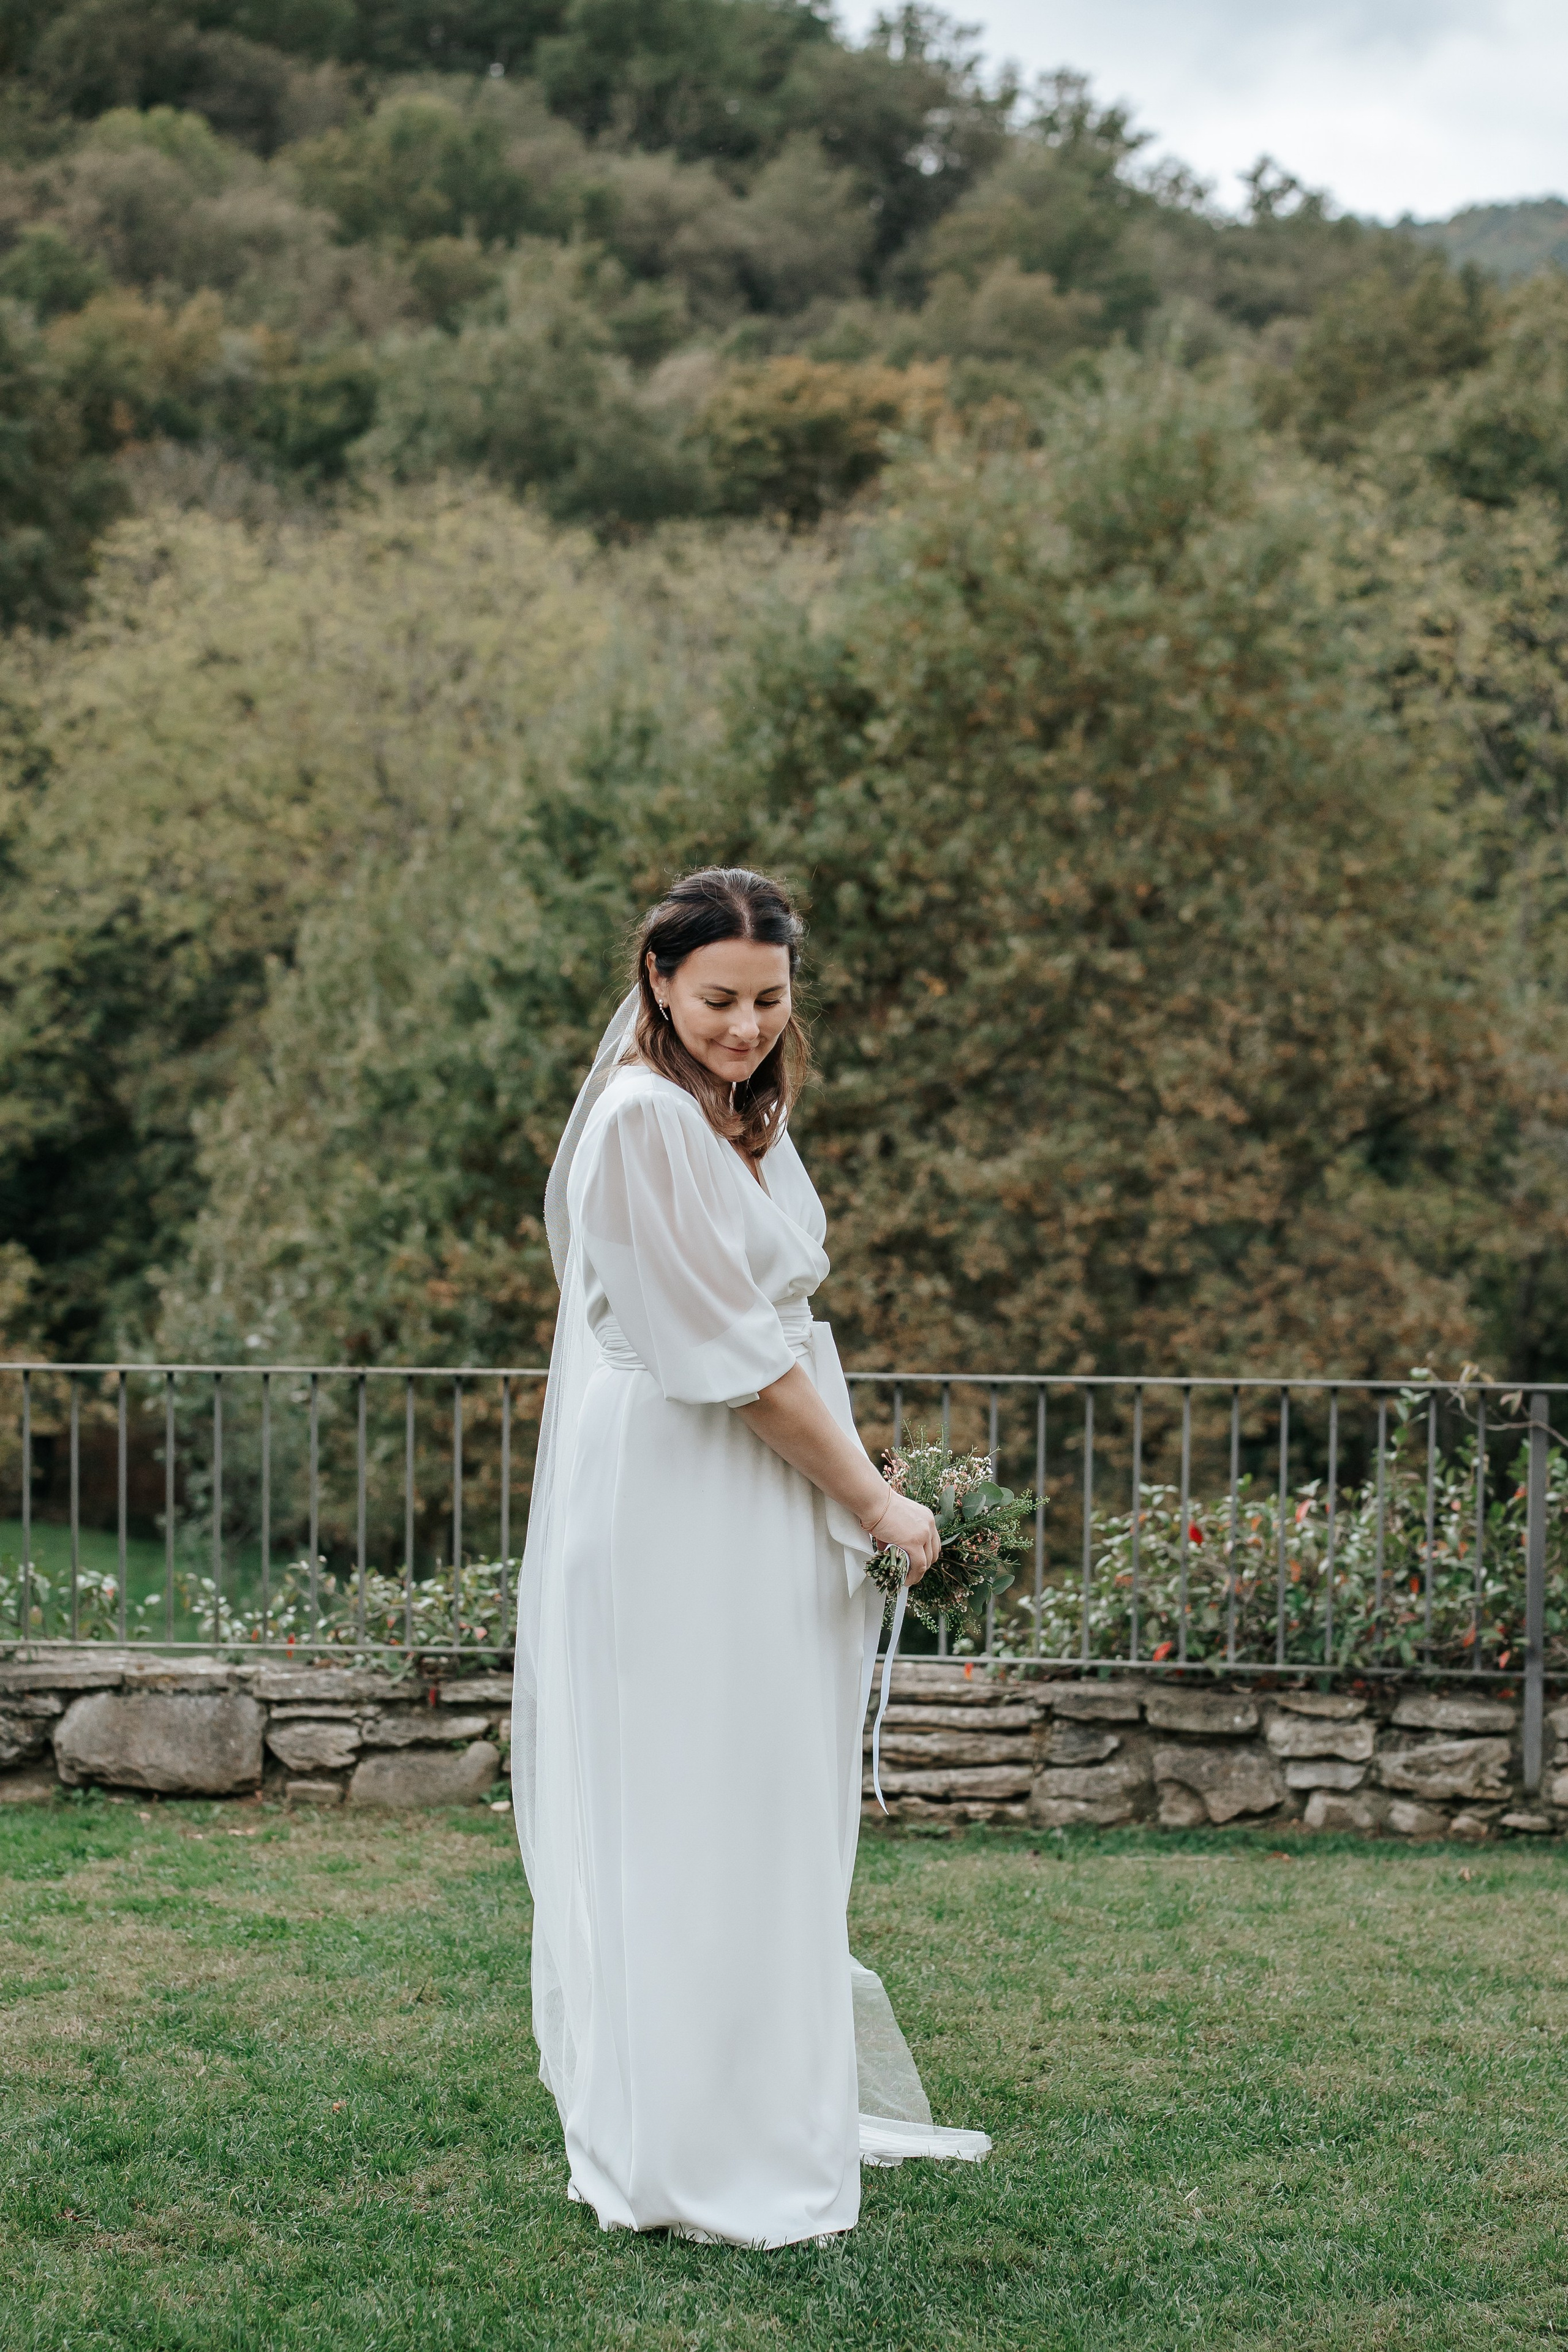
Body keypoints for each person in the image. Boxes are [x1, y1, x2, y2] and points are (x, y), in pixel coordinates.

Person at [512, 865, 989, 2250]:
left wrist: (851, 1471)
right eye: (718, 998)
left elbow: (779, 1340)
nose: (745, 1025)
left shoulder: (735, 1115)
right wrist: (878, 1505)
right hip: (683, 1492)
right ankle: (687, 2142)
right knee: (691, 1798)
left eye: (770, 1000)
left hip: (759, 1478)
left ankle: (755, 2096)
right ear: (657, 982)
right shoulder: (644, 1121)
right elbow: (735, 1366)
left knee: (762, 1799)